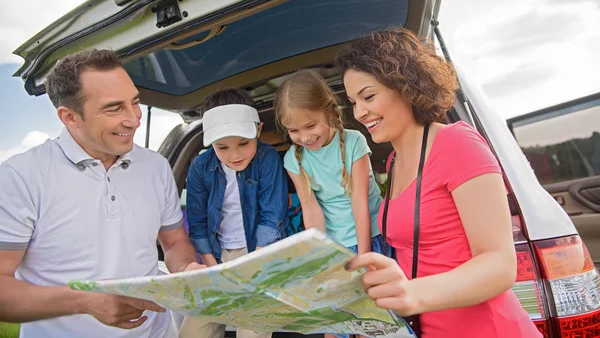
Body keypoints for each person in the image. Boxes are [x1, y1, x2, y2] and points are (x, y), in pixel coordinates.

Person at [339, 29, 542, 338]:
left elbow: (500, 265)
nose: (359, 112)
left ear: (405, 85)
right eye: (353, 102)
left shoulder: (456, 143)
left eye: (368, 96)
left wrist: (412, 293)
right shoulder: (393, 163)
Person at [0, 49, 203, 338]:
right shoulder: (20, 176)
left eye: (135, 103)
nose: (134, 119)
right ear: (69, 117)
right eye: (114, 108)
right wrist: (84, 302)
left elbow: (173, 242)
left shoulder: (156, 166)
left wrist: (185, 267)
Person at [274, 69, 389, 338]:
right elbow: (311, 209)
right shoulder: (294, 158)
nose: (304, 137)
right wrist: (322, 260)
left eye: (310, 126)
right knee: (336, 325)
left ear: (328, 111)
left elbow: (359, 202)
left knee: (371, 324)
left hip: (370, 240)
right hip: (336, 248)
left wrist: (364, 258)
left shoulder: (354, 142)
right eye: (294, 130)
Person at [180, 88, 289, 338]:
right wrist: (212, 269)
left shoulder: (267, 158)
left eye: (243, 143)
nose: (235, 154)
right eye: (223, 147)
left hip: (260, 257)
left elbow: (273, 217)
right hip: (217, 259)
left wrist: (255, 267)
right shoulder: (200, 166)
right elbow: (197, 223)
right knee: (193, 331)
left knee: (251, 331)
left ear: (258, 131)